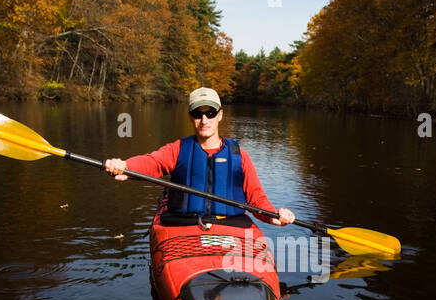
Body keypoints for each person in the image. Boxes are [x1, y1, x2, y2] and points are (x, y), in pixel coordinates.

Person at [104, 87, 296, 226]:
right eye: (198, 114)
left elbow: (256, 198)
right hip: (182, 224)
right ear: (190, 116)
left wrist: (273, 215)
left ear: (220, 115)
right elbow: (152, 162)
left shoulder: (240, 156)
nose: (204, 120)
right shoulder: (178, 149)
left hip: (231, 225)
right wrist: (126, 166)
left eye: (210, 113)